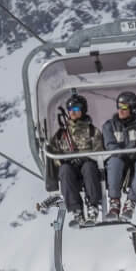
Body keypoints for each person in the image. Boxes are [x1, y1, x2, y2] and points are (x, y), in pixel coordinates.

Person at [47, 93, 102, 226]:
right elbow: (54, 154)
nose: (73, 112)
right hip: (71, 170)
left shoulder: (92, 131)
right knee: (65, 170)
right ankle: (76, 209)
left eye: (76, 109)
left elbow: (99, 151)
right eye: (70, 110)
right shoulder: (61, 134)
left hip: (88, 167)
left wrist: (84, 158)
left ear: (82, 111)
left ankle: (93, 206)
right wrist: (64, 161)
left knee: (88, 167)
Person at [101, 91, 136, 220]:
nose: (120, 110)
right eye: (118, 106)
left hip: (135, 160)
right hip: (119, 160)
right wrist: (131, 149)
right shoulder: (109, 126)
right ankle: (114, 202)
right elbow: (111, 146)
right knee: (114, 161)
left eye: (124, 108)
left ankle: (130, 204)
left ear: (132, 108)